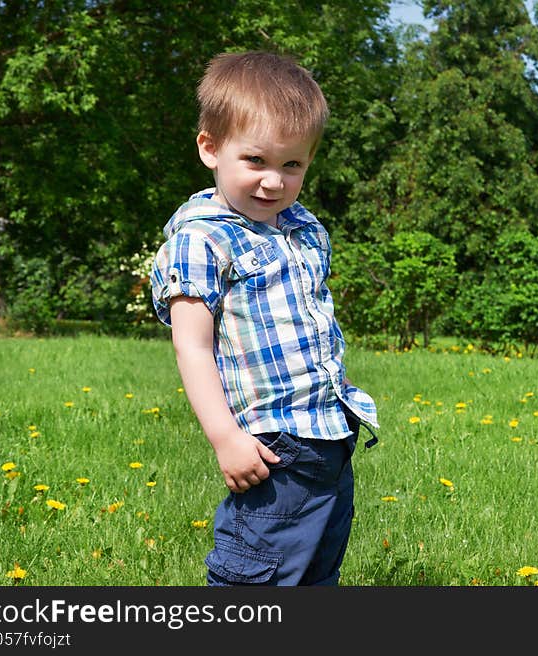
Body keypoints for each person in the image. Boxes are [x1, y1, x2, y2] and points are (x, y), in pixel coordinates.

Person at [150, 50, 378, 586]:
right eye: (256, 161)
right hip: (271, 446)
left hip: (329, 436)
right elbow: (193, 347)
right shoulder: (202, 240)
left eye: (292, 165)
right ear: (210, 147)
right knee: (254, 580)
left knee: (317, 573)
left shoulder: (303, 230)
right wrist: (225, 438)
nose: (274, 181)